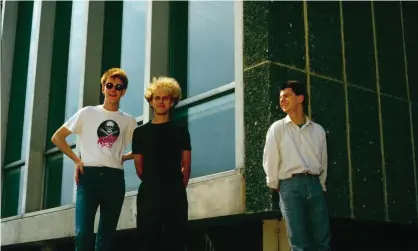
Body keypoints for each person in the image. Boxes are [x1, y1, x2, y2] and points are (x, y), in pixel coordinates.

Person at [51, 68, 137, 251]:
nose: (113, 89)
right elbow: (57, 137)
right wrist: (77, 160)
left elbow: (140, 149)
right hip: (88, 177)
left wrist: (122, 157)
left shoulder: (129, 121)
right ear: (103, 88)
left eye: (118, 87)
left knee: (106, 237)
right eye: (109, 85)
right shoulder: (87, 113)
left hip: (115, 179)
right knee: (82, 234)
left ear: (124, 91)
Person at [262, 80, 331, 251]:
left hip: (315, 186)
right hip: (289, 187)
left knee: (322, 241)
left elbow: (323, 161)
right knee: (299, 244)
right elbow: (270, 159)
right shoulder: (277, 129)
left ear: (300, 98)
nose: (282, 100)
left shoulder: (318, 130)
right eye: (280, 97)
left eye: (287, 95)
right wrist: (277, 185)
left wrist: (320, 185)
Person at [132, 76, 191, 251]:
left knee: (176, 243)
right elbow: (139, 169)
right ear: (150, 101)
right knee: (148, 243)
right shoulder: (139, 133)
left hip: (175, 194)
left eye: (165, 98)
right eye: (156, 97)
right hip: (149, 195)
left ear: (172, 102)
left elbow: (186, 167)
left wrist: (176, 188)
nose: (161, 101)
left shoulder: (181, 131)